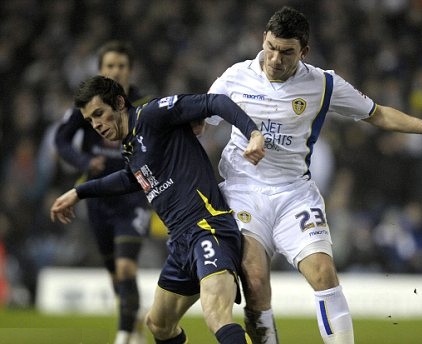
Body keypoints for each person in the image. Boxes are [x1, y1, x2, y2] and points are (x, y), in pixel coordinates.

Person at [206, 6, 422, 344]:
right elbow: (198, 118)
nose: (275, 59)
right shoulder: (234, 77)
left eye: (287, 52)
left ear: (304, 52)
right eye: (271, 47)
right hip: (244, 191)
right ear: (263, 39)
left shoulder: (322, 83)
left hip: (293, 193)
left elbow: (378, 114)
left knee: (324, 273)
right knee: (255, 282)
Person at [50, 75, 265, 344]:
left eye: (99, 114)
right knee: (158, 324)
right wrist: (79, 192)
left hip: (208, 228)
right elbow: (130, 178)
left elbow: (214, 102)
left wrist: (254, 133)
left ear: (118, 102)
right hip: (180, 244)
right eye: (90, 120)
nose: (96, 125)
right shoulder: (130, 146)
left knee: (216, 316)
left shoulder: (152, 115)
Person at [54, 41, 154, 344]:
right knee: (116, 273)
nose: (116, 71)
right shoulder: (88, 105)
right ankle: (132, 317)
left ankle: (124, 335)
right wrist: (85, 161)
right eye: (110, 66)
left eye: (121, 66)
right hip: (98, 200)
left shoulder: (144, 103)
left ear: (130, 70)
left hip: (133, 196)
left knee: (126, 265)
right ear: (101, 70)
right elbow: (61, 140)